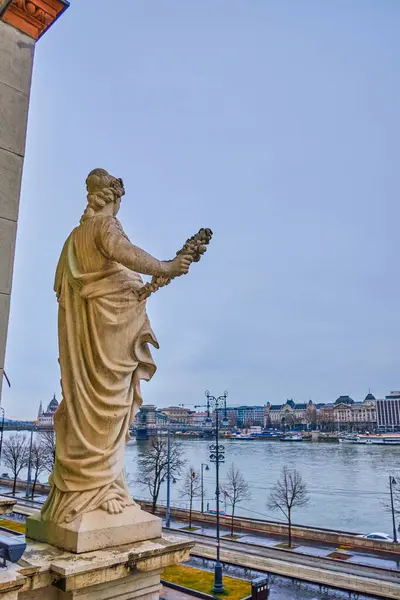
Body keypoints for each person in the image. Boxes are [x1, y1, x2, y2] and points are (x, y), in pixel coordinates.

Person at [41, 168, 192, 524]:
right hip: (108, 339)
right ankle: (99, 489)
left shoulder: (72, 240)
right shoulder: (104, 227)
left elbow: (70, 294)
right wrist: (167, 266)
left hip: (87, 340)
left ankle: (90, 485)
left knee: (85, 407)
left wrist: (135, 288)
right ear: (114, 198)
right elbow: (122, 253)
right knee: (110, 407)